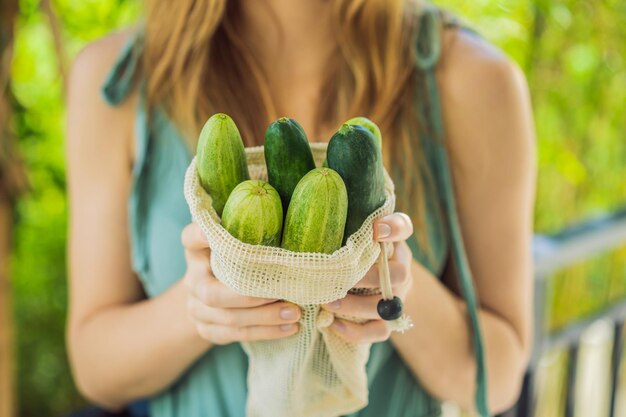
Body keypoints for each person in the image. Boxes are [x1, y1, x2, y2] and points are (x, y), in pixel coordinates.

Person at [65, 1, 536, 416]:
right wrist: (199, 305)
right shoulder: (115, 83)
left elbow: (496, 381)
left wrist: (390, 282)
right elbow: (95, 369)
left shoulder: (475, 82)